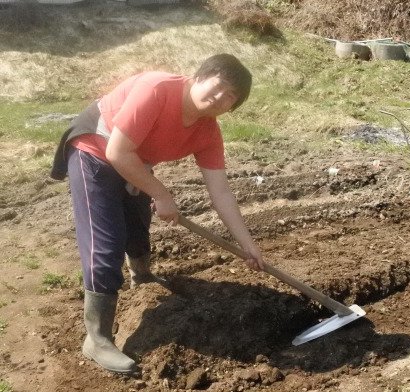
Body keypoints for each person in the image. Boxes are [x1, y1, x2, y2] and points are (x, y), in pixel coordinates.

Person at [51, 53, 264, 374]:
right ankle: (97, 337)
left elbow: (220, 191)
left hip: (133, 159)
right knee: (104, 241)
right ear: (200, 76)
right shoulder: (157, 89)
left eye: (231, 97)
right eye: (219, 86)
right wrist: (161, 193)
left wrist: (247, 244)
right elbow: (116, 151)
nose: (220, 98)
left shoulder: (208, 132)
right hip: (96, 149)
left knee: (137, 225)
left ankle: (142, 275)